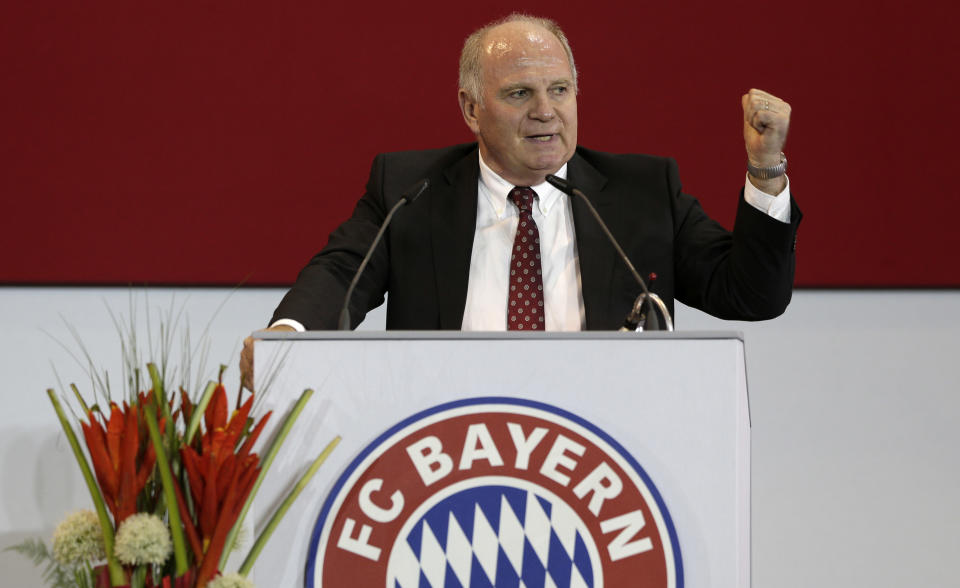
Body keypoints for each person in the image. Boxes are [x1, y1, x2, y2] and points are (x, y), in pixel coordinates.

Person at [239, 14, 800, 391]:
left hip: (604, 446)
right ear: (470, 108)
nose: (545, 111)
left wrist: (766, 170)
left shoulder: (639, 193)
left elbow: (752, 294)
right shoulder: (413, 189)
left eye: (560, 90)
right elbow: (341, 273)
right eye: (518, 94)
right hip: (444, 443)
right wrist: (289, 338)